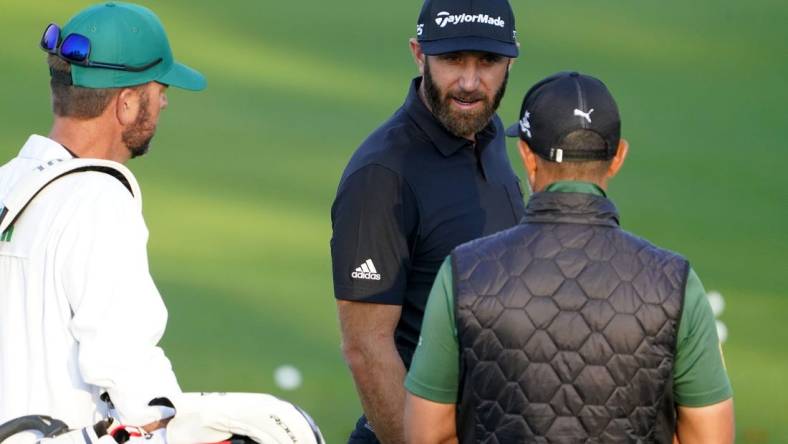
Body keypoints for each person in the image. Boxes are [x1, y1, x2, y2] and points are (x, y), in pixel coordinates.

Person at [403, 72, 735, 443]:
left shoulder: (463, 274)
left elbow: (426, 435)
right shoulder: (677, 283)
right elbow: (710, 437)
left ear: (527, 156)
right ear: (618, 157)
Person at [0, 2, 206, 442]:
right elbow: (128, 369)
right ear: (128, 103)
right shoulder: (98, 198)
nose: (165, 101)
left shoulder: (7, 181)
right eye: (158, 89)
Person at [330, 0, 525, 442]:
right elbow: (366, 347)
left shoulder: (491, 137)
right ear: (419, 54)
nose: (471, 83)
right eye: (453, 60)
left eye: (488, 61)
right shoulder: (382, 176)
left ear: (510, 60)